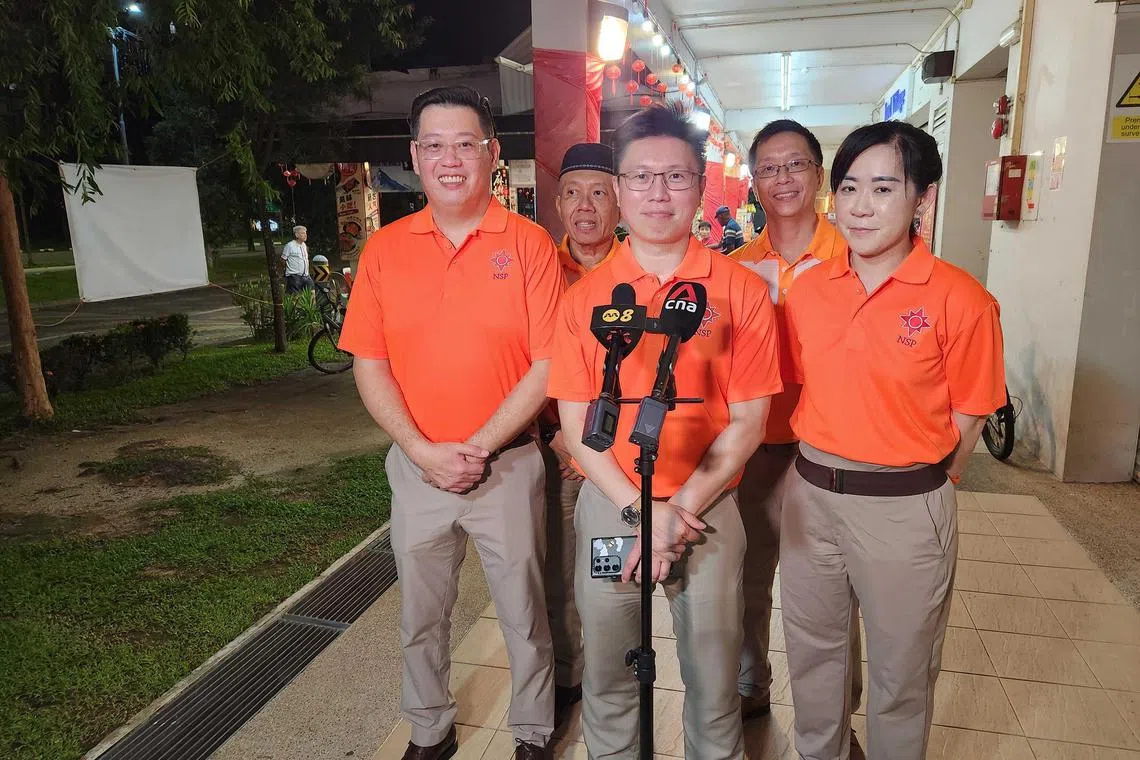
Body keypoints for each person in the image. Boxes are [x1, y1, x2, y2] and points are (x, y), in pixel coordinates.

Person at [548, 105, 782, 760]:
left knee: (712, 683)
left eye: (675, 177)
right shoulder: (583, 299)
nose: (657, 193)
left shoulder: (740, 292)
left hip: (704, 513)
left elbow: (750, 420)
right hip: (610, 506)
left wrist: (674, 511)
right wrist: (637, 509)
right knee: (609, 674)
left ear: (700, 184)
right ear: (619, 189)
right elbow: (574, 421)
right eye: (641, 177)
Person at [339, 85, 563, 760]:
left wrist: (478, 446)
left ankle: (532, 730)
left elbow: (549, 364)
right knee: (420, 616)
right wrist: (420, 449)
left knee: (525, 614)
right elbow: (370, 363)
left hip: (509, 464)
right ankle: (431, 730)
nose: (450, 160)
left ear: (492, 154)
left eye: (466, 144)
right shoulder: (384, 250)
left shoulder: (528, 245)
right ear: (414, 157)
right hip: (417, 471)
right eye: (433, 146)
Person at [781, 120, 1005, 760]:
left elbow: (968, 419)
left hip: (904, 505)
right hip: (810, 496)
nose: (860, 207)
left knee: (900, 669)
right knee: (813, 651)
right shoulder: (811, 291)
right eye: (848, 188)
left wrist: (918, 487)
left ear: (922, 197)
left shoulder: (962, 300)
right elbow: (804, 386)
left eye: (883, 188)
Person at [728, 120, 863, 750]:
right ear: (754, 182)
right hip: (753, 452)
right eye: (770, 168)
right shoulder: (734, 269)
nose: (783, 178)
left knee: (831, 598)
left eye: (796, 165)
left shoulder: (855, 257)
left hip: (828, 453)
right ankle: (751, 685)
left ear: (819, 175)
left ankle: (836, 720)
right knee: (748, 580)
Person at [539, 142, 622, 721]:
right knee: (558, 568)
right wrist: (555, 433)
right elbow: (522, 359)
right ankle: (568, 676)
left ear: (618, 200)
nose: (585, 206)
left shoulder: (638, 270)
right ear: (559, 202)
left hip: (617, 463)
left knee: (608, 569)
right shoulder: (540, 268)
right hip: (557, 452)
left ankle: (611, 678)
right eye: (573, 193)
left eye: (599, 192)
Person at [281, 225, 313, 293]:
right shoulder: (290, 245)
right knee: (295, 297)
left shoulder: (304, 245)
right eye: (303, 233)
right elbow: (283, 259)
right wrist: (286, 270)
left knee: (311, 293)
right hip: (294, 276)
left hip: (306, 275)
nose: (305, 235)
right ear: (296, 235)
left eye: (305, 233)